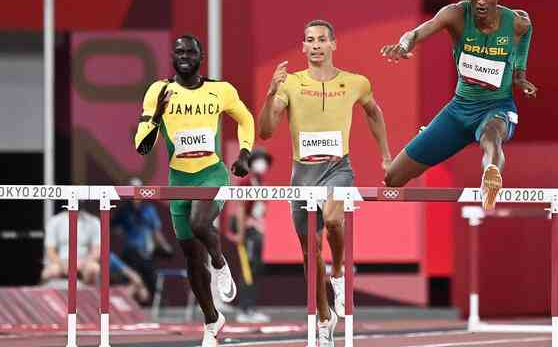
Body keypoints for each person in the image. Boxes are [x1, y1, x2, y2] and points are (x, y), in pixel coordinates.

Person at [259, 20, 392, 346]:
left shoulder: (356, 83)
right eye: (309, 40)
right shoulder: (290, 84)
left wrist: (386, 155)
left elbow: (374, 113)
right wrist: (271, 93)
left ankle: (339, 273)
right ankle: (323, 318)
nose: (315, 45)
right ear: (303, 47)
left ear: (333, 44)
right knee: (310, 254)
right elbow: (265, 131)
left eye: (321, 40)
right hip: (302, 175)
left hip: (338, 169)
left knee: (334, 219)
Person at [380, 0, 538, 210]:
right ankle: (432, 134)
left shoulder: (518, 23)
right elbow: (417, 33)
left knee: (491, 136)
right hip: (459, 110)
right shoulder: (454, 15)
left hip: (497, 106)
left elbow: (523, 44)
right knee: (393, 178)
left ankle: (491, 178)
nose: (481, 1)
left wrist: (520, 77)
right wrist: (403, 45)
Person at [134, 34, 255, 347]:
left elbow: (245, 119)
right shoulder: (158, 91)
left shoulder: (220, 90)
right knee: (190, 256)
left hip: (212, 174)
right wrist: (158, 115)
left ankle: (220, 263)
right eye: (179, 51)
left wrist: (244, 153)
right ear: (172, 57)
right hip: (179, 180)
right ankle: (212, 320)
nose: (184, 55)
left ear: (200, 57)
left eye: (190, 51)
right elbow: (142, 147)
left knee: (202, 224)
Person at [112, 177, 174, 305]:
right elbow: (114, 228)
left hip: (146, 253)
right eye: (132, 191)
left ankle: (161, 307)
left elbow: (156, 231)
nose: (135, 194)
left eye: (137, 190)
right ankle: (129, 307)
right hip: (130, 253)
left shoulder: (148, 209)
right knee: (133, 281)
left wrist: (164, 246)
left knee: (150, 280)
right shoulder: (123, 211)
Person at [230, 148, 272, 324]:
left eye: (265, 160)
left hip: (257, 231)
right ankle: (245, 309)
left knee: (255, 270)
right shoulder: (247, 182)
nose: (262, 163)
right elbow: (240, 209)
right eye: (259, 159)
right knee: (248, 271)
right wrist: (240, 233)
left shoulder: (259, 182)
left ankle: (251, 308)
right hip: (248, 233)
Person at [41, 205, 100, 286]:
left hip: (84, 262)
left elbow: (97, 250)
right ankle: (47, 296)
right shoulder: (54, 221)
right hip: (61, 262)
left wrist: (83, 263)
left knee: (94, 268)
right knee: (50, 272)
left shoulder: (94, 221)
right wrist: (63, 264)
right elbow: (50, 251)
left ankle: (89, 296)